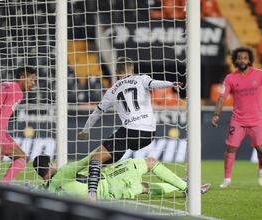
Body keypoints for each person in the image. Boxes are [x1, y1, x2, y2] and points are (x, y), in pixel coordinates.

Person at [77, 57, 183, 200]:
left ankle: (91, 194)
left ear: (116, 72)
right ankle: (185, 186)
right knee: (110, 159)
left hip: (130, 131)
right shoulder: (142, 79)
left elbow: (97, 112)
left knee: (96, 159)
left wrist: (85, 131)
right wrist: (171, 83)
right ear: (132, 69)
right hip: (148, 133)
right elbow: (155, 83)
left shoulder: (113, 89)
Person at [211, 47, 262, 188]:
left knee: (261, 148)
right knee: (231, 148)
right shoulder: (230, 78)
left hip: (257, 120)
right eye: (239, 58)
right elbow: (222, 97)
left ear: (250, 59)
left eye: (245, 58)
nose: (242, 60)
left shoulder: (259, 74)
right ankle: (227, 179)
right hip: (238, 120)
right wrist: (216, 115)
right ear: (235, 60)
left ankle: (261, 169)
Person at [33, 154, 211, 200]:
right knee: (150, 162)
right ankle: (190, 188)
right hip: (111, 178)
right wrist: (108, 148)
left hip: (112, 195)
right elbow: (89, 159)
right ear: (50, 165)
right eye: (52, 162)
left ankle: (186, 185)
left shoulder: (45, 190)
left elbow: (31, 189)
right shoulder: (64, 172)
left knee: (144, 188)